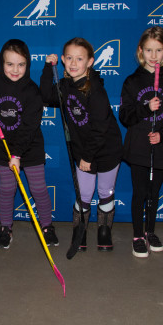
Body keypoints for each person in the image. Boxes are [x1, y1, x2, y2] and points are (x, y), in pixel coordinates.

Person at [0, 39, 58, 249]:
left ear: (28, 64)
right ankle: (5, 228)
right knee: (7, 190)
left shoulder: (32, 91)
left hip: (30, 148)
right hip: (4, 148)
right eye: (10, 64)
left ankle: (47, 226)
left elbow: (29, 128)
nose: (15, 70)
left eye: (21, 64)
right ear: (2, 63)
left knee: (38, 189)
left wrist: (17, 155)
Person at [40, 37, 122, 252]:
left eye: (79, 58)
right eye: (69, 58)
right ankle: (81, 229)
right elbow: (46, 96)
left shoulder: (95, 90)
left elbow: (101, 128)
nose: (73, 63)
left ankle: (104, 231)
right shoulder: (66, 85)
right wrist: (49, 69)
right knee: (84, 195)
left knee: (105, 192)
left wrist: (88, 157)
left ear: (90, 62)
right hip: (84, 152)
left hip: (106, 151)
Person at [119, 26, 163, 258]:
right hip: (139, 147)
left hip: (162, 147)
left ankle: (150, 231)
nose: (153, 55)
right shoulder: (132, 81)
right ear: (141, 51)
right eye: (148, 50)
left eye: (158, 50)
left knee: (154, 192)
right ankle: (138, 235)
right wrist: (145, 107)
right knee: (139, 192)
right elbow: (125, 116)